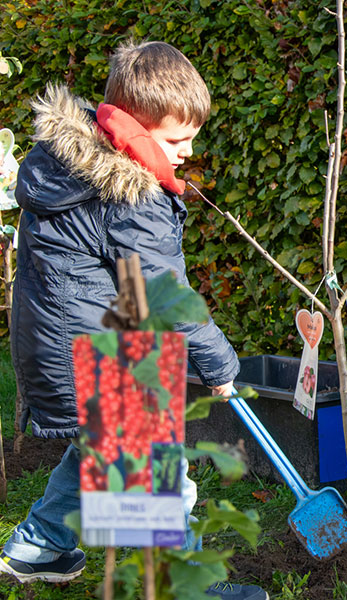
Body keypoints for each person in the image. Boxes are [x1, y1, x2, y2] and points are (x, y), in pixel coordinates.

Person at [0, 41, 267, 600]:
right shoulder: (130, 193)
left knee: (108, 448)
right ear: (133, 129)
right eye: (176, 141)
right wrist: (219, 362)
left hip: (68, 343)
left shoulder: (69, 167)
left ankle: (39, 544)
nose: (188, 152)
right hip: (95, 351)